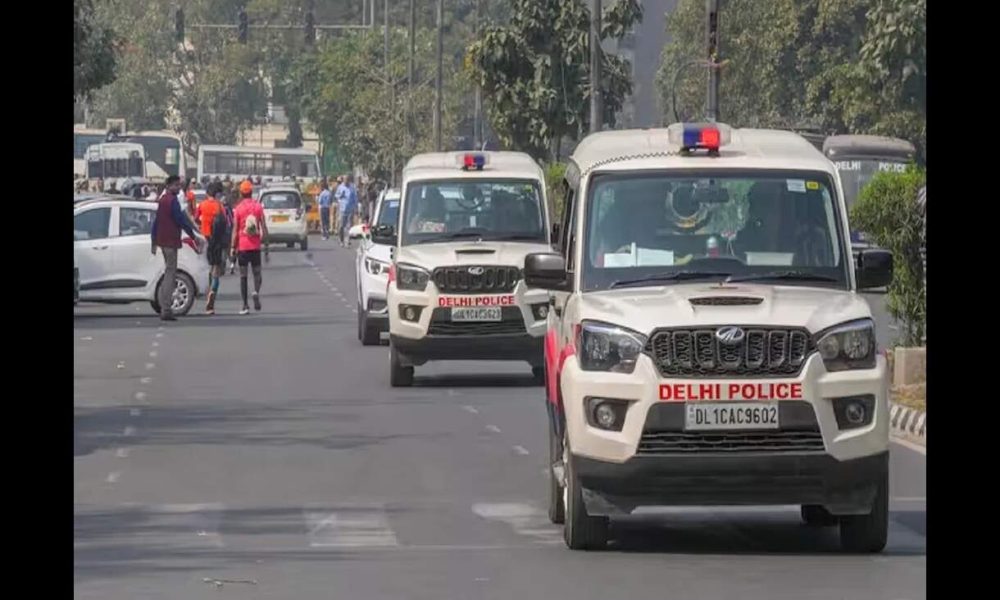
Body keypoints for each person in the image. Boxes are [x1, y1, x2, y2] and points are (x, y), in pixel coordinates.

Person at [151, 175, 206, 321]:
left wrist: (154, 241)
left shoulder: (162, 201)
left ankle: (165, 306)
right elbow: (181, 221)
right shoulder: (172, 201)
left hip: (163, 241)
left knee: (169, 271)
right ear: (168, 186)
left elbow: (156, 223)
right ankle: (166, 309)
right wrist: (194, 237)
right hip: (170, 242)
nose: (178, 188)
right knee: (170, 274)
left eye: (179, 185)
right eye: (175, 185)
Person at [231, 180, 268, 315]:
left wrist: (232, 247)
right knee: (257, 273)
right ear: (251, 192)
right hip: (255, 246)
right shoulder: (258, 207)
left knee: (243, 276)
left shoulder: (238, 208)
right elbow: (263, 227)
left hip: (243, 246)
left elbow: (235, 229)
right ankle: (255, 291)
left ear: (241, 193)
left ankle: (245, 305)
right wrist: (267, 245)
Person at [196, 182, 230, 314]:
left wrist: (202, 225)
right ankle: (212, 296)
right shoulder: (219, 206)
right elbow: (225, 225)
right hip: (217, 241)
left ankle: (206, 288)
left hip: (204, 239)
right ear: (216, 194)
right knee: (216, 271)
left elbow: (195, 219)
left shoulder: (202, 205)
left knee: (206, 268)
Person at [335, 174, 359, 247]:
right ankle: (341, 240)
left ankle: (347, 241)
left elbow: (355, 198)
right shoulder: (340, 187)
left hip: (350, 209)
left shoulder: (352, 187)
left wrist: (356, 207)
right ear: (343, 180)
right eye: (345, 179)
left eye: (347, 179)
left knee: (349, 226)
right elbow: (336, 196)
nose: (346, 181)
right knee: (341, 226)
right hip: (342, 209)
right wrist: (340, 196)